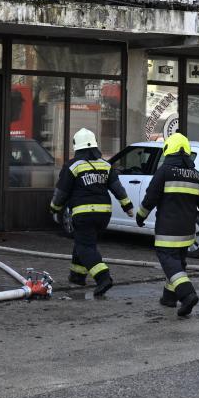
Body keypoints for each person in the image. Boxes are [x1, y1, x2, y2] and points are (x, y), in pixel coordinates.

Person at [49, 127, 134, 297]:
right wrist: (128, 207)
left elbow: (62, 192)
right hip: (103, 215)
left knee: (85, 246)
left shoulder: (73, 166)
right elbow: (118, 189)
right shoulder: (105, 165)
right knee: (84, 242)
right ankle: (77, 276)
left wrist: (54, 208)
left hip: (84, 214)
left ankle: (103, 278)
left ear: (77, 147)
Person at [136, 132, 199, 318]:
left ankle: (187, 295)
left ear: (168, 150)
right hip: (187, 232)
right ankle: (169, 297)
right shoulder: (197, 175)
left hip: (167, 230)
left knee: (169, 262)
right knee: (178, 263)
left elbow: (151, 197)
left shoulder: (164, 171)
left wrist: (140, 216)